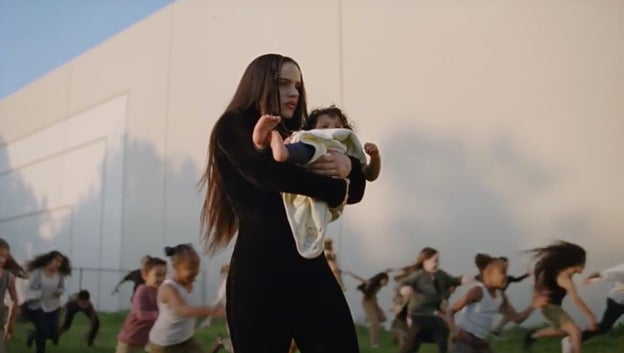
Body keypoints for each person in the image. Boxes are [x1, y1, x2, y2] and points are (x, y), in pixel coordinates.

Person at [200, 53, 366, 353]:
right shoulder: (232, 125)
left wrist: (349, 166)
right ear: (260, 84)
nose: (294, 93)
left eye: (298, 86)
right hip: (258, 275)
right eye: (283, 84)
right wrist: (335, 188)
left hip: (308, 266)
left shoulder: (301, 136)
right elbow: (266, 174)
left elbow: (355, 192)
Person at [253, 106, 378, 259]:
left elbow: (369, 175)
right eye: (324, 126)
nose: (331, 129)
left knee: (314, 219)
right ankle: (276, 143)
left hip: (327, 192)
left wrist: (374, 158)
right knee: (311, 148)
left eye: (338, 126)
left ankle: (279, 147)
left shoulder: (347, 149)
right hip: (311, 154)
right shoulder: (312, 138)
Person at [447, 254, 546, 353]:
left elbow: (517, 319)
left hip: (480, 342)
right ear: (489, 274)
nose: (506, 276)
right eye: (502, 273)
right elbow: (451, 311)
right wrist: (455, 330)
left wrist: (533, 305)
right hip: (463, 340)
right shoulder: (478, 291)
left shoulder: (501, 297)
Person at [147, 244, 225, 353]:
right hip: (164, 345)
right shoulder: (168, 288)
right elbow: (182, 310)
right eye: (190, 267)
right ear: (176, 267)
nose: (195, 271)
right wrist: (214, 311)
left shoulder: (188, 283)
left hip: (185, 340)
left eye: (197, 266)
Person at [523, 241, 596, 353]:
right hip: (551, 308)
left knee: (566, 331)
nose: (585, 266)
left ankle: (534, 335)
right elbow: (576, 300)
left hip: (550, 308)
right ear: (577, 262)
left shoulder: (562, 272)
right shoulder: (564, 278)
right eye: (584, 262)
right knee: (575, 331)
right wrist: (591, 317)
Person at [398, 247, 471, 353]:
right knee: (412, 343)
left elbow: (454, 280)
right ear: (424, 261)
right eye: (433, 260)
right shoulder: (419, 275)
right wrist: (405, 289)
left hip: (434, 313)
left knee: (442, 332)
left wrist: (464, 280)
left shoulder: (441, 275)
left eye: (437, 260)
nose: (436, 263)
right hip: (419, 314)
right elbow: (403, 283)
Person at [559, 262, 624, 353]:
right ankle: (571, 339)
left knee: (603, 328)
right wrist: (598, 275)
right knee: (603, 328)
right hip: (617, 302)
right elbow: (614, 273)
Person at [116, 256, 167, 353]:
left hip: (148, 338)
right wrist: (161, 315)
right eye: (157, 275)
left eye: (164, 275)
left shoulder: (161, 292)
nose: (161, 279)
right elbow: (141, 314)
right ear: (145, 275)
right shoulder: (142, 291)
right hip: (130, 338)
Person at [24, 250, 71, 353]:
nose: (58, 263)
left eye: (60, 262)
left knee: (54, 334)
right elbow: (29, 288)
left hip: (52, 306)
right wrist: (38, 293)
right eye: (56, 260)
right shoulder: (38, 272)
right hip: (37, 306)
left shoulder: (59, 275)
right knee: (43, 332)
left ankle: (33, 334)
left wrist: (58, 292)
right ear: (49, 259)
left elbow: (62, 288)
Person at [480, 257, 531, 338]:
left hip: (501, 299)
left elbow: (517, 279)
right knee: (514, 315)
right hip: (497, 298)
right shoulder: (493, 276)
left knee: (509, 315)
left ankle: (496, 330)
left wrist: (527, 274)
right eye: (505, 264)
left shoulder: (508, 278)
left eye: (507, 264)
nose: (507, 266)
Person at [343, 270, 391, 348]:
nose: (386, 283)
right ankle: (374, 344)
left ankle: (368, 319)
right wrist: (350, 273)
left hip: (374, 301)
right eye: (385, 281)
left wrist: (387, 271)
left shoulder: (379, 282)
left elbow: (379, 275)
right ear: (382, 279)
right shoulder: (371, 283)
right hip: (367, 302)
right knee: (375, 324)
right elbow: (360, 279)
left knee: (383, 318)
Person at [0, 238, 26, 353]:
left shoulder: (8, 275)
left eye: (5, 256)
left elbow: (15, 300)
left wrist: (10, 324)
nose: (2, 259)